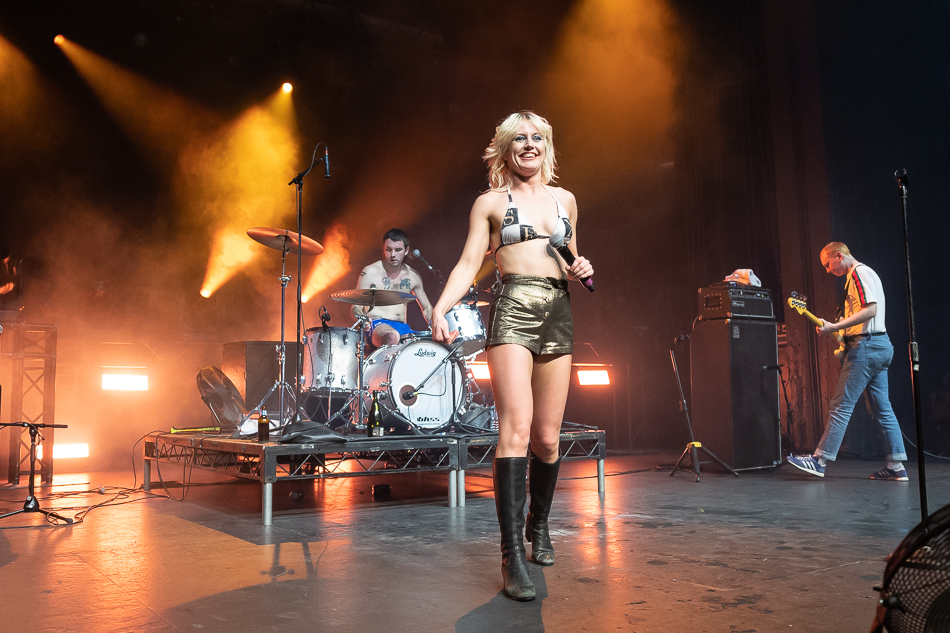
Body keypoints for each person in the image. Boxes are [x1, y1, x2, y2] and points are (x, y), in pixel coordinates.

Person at [431, 111, 594, 601]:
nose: (529, 145)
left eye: (536, 138)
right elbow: (469, 262)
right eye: (519, 138)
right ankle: (511, 557)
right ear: (505, 149)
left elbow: (570, 261)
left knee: (547, 439)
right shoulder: (489, 203)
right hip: (513, 308)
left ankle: (537, 526)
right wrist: (440, 307)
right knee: (516, 432)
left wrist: (581, 266)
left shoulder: (566, 200)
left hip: (557, 311)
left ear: (547, 146)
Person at [787, 242, 909, 480]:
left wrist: (836, 326)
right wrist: (837, 330)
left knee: (840, 405)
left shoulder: (859, 273)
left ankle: (819, 460)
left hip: (867, 347)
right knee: (882, 408)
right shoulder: (862, 275)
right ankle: (896, 466)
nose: (827, 270)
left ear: (839, 256)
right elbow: (860, 319)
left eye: (828, 264)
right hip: (878, 345)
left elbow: (871, 310)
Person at [352, 228, 432, 347]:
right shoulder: (370, 272)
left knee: (426, 344)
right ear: (383, 249)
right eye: (388, 250)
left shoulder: (413, 276)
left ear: (406, 250)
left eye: (398, 250)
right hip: (377, 326)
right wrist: (363, 319)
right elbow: (355, 307)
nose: (393, 254)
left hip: (403, 327)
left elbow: (426, 308)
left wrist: (436, 326)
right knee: (392, 336)